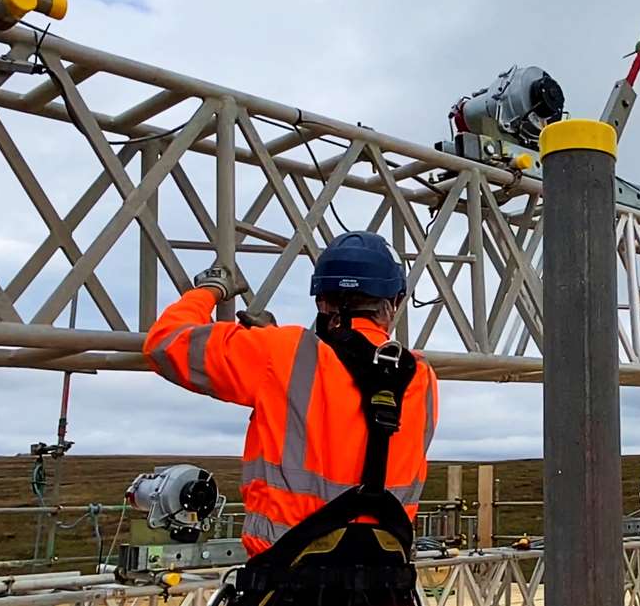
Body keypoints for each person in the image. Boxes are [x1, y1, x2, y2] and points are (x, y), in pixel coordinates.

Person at [144, 231, 438, 605]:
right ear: (394, 303)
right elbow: (348, 398)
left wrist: (211, 291)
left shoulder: (282, 355)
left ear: (321, 299)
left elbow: (166, 343)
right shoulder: (421, 378)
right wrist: (275, 349)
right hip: (386, 589)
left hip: (289, 588)